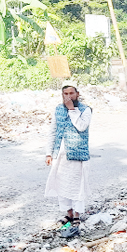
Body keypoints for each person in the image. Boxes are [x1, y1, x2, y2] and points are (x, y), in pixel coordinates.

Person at [45, 85, 93, 236]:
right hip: (60, 154)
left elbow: (81, 126)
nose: (68, 96)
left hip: (77, 153)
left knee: (76, 186)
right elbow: (53, 132)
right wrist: (48, 153)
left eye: (71, 93)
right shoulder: (58, 110)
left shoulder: (85, 110)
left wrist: (72, 109)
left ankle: (77, 216)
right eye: (65, 93)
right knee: (62, 185)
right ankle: (69, 214)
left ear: (77, 94)